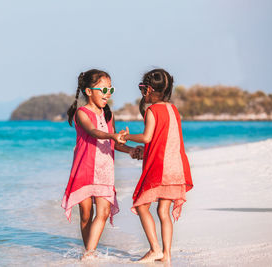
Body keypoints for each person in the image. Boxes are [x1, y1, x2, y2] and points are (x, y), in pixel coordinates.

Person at [61, 69, 142, 259]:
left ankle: (89, 253)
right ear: (89, 91)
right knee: (86, 214)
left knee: (103, 212)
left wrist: (130, 150)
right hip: (85, 170)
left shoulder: (108, 115)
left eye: (110, 90)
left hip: (105, 170)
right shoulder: (82, 113)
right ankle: (88, 249)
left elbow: (112, 142)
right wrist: (112, 135)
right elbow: (93, 132)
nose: (107, 95)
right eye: (103, 90)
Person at [122, 68, 193, 263]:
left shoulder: (153, 110)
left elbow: (147, 137)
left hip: (160, 167)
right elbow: (167, 139)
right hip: (176, 167)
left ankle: (155, 249)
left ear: (149, 90)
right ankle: (167, 254)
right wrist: (147, 151)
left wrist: (126, 136)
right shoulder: (173, 109)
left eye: (142, 88)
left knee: (142, 205)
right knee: (163, 212)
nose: (141, 92)